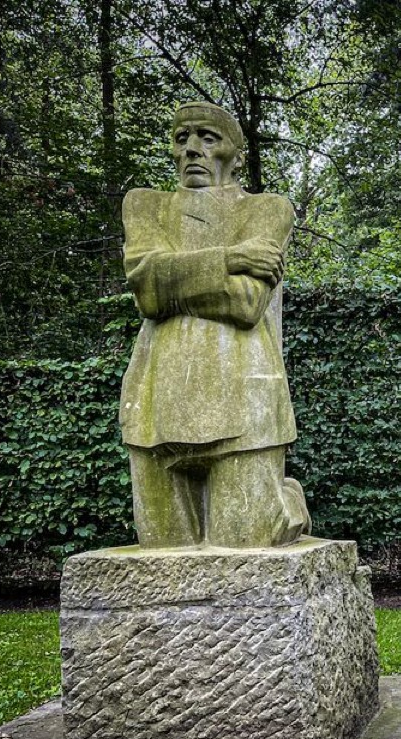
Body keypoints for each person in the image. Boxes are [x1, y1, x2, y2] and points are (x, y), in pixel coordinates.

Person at [119, 101, 309, 548]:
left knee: (246, 544)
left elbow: (246, 302)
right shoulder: (144, 205)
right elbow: (147, 288)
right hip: (155, 401)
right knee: (162, 553)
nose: (192, 149)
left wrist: (172, 279)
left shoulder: (266, 210)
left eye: (208, 138)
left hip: (245, 399)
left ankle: (286, 500)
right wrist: (232, 258)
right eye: (182, 138)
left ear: (236, 155)